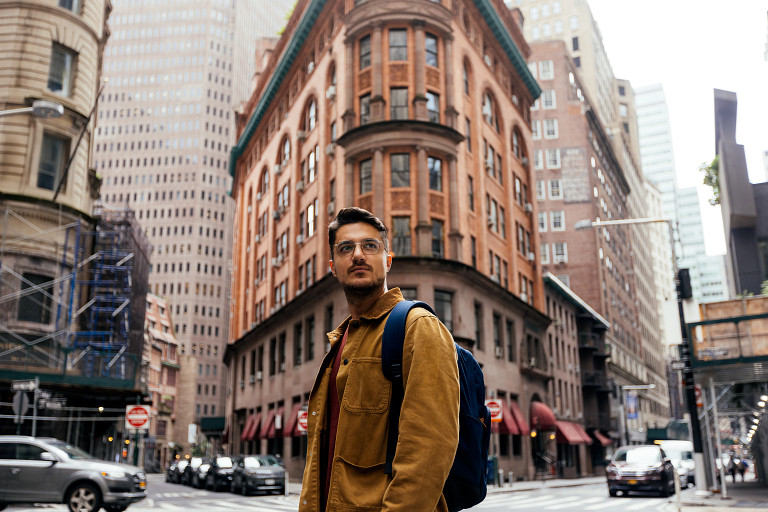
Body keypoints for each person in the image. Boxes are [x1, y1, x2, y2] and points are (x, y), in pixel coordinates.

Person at [299, 207, 460, 512]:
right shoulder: (340, 342)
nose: (358, 255)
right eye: (346, 248)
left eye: (370, 246)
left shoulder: (418, 326)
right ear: (333, 266)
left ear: (388, 260)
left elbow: (429, 452)